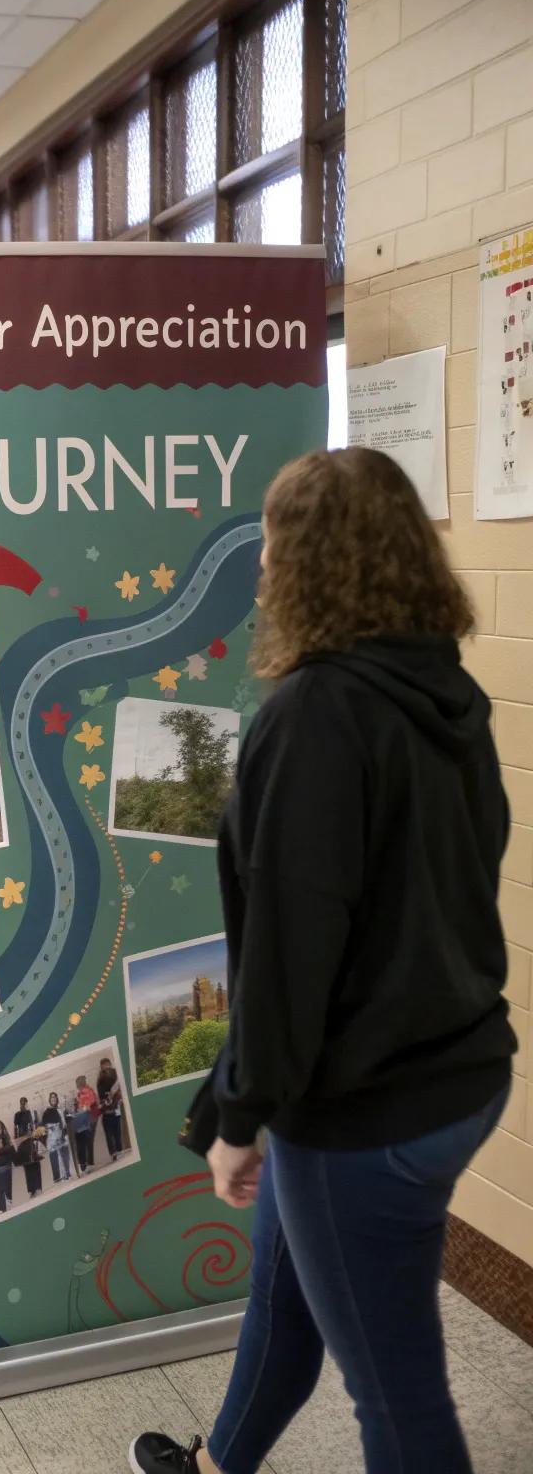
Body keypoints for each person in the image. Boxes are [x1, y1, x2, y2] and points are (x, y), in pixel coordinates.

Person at [130, 447, 517, 1474]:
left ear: (311, 561)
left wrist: (241, 1116)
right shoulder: (446, 692)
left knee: (396, 1396)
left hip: (363, 1106)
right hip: (461, 1070)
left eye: (270, 543)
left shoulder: (314, 715)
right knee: (289, 1296)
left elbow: (292, 952)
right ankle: (217, 1464)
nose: (258, 566)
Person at [13, 1097, 43, 1199]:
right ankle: (32, 1190)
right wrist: (19, 1143)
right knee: (28, 1167)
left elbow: (37, 1126)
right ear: (20, 1104)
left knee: (36, 1164)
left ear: (27, 1103)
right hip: (24, 1144)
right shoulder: (17, 1115)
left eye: (25, 1103)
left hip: (32, 1141)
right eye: (22, 1103)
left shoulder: (32, 1113)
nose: (23, 1105)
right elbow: (16, 1131)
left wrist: (36, 1136)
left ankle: (38, 1187)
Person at [97, 1057, 124, 1162]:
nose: (106, 1069)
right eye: (104, 1068)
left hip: (113, 1109)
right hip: (109, 1110)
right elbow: (102, 1096)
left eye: (107, 1067)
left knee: (115, 1132)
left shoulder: (114, 1076)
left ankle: (118, 1151)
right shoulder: (101, 1080)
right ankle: (115, 1152)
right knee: (111, 1133)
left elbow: (118, 1092)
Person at [42, 1091, 71, 1183]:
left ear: (57, 1099)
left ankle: (67, 1173)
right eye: (52, 1098)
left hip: (62, 1135)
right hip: (53, 1139)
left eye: (55, 1097)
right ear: (49, 1100)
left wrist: (65, 1133)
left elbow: (64, 1123)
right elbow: (45, 1126)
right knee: (55, 1158)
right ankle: (57, 1177)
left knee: (65, 1155)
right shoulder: (47, 1112)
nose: (53, 1099)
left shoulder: (60, 1109)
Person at [72, 1076, 98, 1173]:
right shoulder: (83, 1092)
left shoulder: (86, 1091)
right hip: (89, 1118)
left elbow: (88, 1106)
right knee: (87, 1141)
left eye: (77, 1084)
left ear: (80, 1084)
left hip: (90, 1118)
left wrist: (81, 1110)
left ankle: (89, 1164)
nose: (77, 1087)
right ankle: (87, 1163)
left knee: (88, 1141)